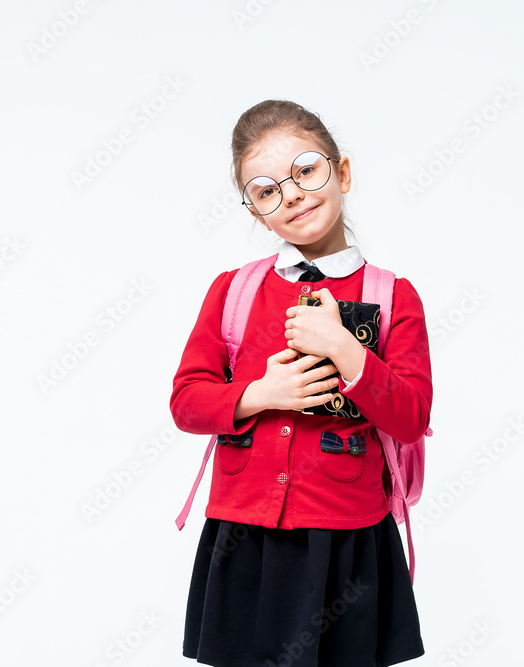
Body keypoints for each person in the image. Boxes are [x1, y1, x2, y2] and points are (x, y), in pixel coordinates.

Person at [169, 99, 433, 667]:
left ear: (342, 171)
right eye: (265, 189)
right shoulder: (232, 291)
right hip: (244, 534)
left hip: (346, 537)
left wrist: (345, 348)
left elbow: (411, 416)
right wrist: (259, 394)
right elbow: (186, 401)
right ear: (256, 212)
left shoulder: (395, 296)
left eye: (305, 170)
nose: (290, 194)